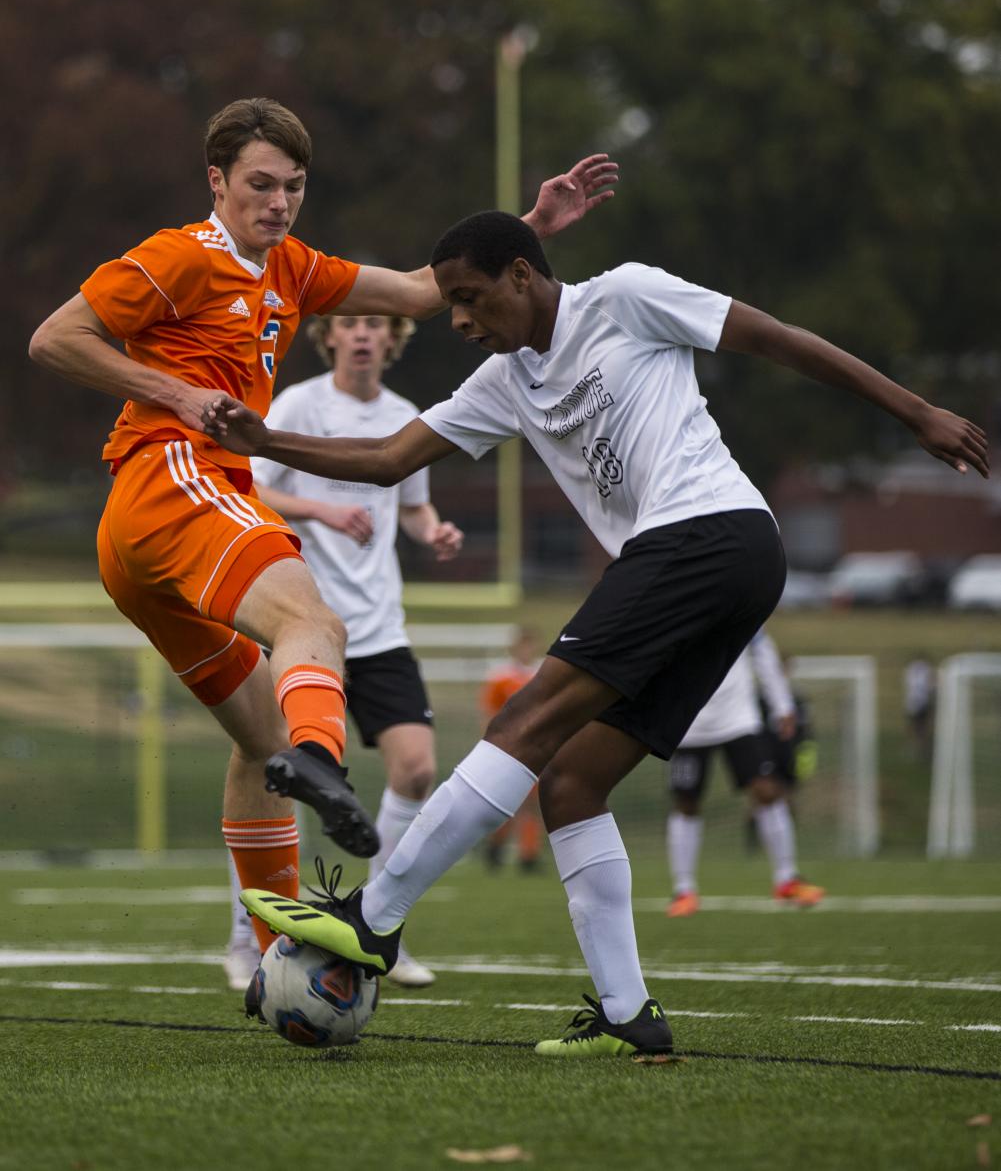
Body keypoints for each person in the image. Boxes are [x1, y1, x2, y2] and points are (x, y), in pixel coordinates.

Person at [206, 209, 988, 1063]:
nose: (460, 320)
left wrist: (916, 411)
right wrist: (265, 440)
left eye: (468, 298)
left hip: (709, 532)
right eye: (449, 305)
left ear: (519, 274)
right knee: (572, 781)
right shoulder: (504, 381)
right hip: (717, 563)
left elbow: (778, 339)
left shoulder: (624, 296)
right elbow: (392, 456)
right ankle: (628, 1015)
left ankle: (375, 917)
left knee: (523, 725)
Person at [27, 100, 617, 959]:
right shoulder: (181, 256)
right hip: (172, 478)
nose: (278, 202)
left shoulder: (293, 268)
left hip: (154, 527)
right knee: (315, 625)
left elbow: (420, 290)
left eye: (293, 186)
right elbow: (55, 338)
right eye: (260, 184)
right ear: (217, 181)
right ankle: (324, 765)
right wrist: (180, 394)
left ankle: (273, 956)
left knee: (256, 738)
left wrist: (528, 227)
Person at [224, 309, 463, 991]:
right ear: (328, 336)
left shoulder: (404, 413)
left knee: (416, 770)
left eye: (375, 324)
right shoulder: (297, 404)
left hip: (380, 630)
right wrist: (323, 511)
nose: (362, 333)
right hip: (301, 624)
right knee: (272, 774)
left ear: (392, 339)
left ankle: (378, 923)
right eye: (350, 323)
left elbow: (412, 505)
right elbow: (248, 486)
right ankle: (247, 939)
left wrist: (434, 530)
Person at [666, 627, 825, 917]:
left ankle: (786, 879)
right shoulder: (678, 602)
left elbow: (763, 650)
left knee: (767, 789)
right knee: (686, 802)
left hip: (738, 718)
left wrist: (782, 705)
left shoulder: (740, 599)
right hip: (690, 721)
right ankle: (684, 889)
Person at [480, 629, 543, 872]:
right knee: (504, 800)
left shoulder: (541, 674)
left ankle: (529, 854)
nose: (527, 651)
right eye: (523, 646)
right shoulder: (501, 677)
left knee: (531, 803)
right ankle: (495, 847)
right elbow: (488, 712)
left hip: (535, 745)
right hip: (506, 747)